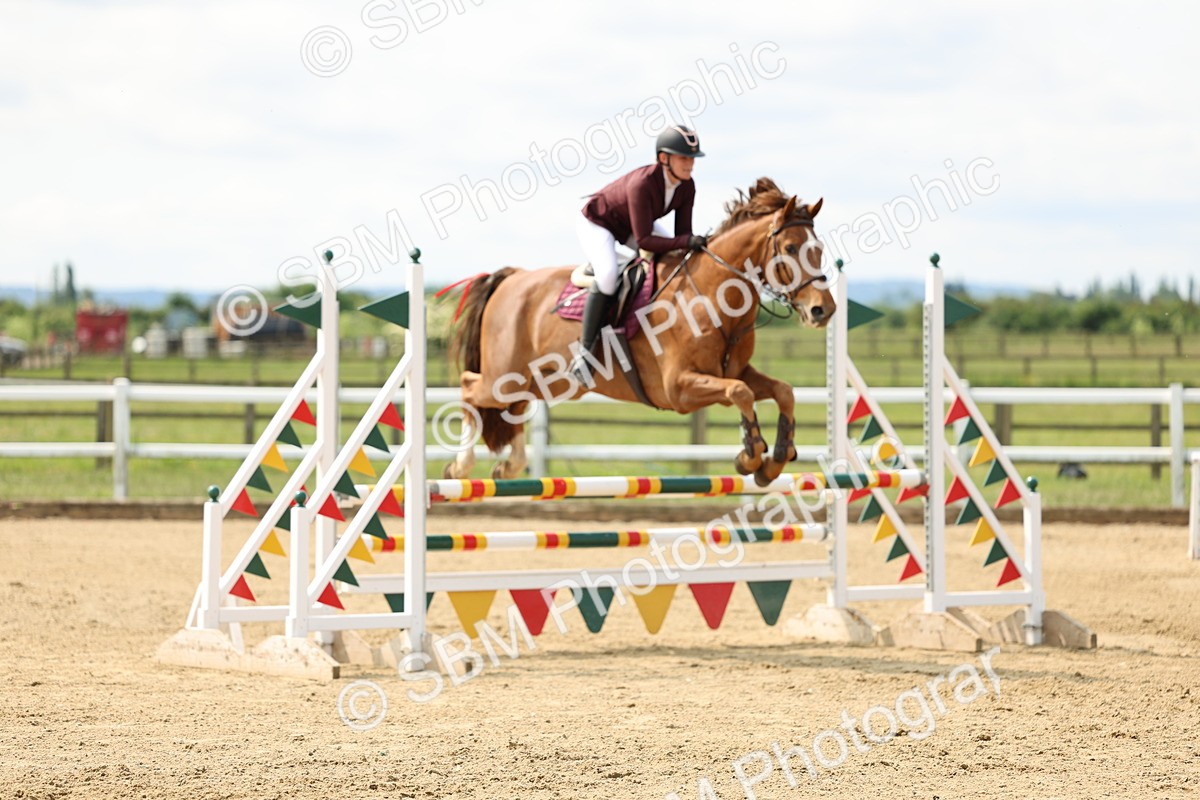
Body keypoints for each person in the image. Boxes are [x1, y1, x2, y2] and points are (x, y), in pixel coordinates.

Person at [570, 124, 709, 383]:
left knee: (675, 258)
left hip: (632, 225)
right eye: (683, 158)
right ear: (663, 159)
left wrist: (691, 244)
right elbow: (645, 240)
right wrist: (687, 241)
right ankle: (585, 354)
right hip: (598, 222)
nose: (690, 164)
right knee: (609, 275)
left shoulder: (687, 186)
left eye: (692, 159)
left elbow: (682, 235)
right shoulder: (643, 184)